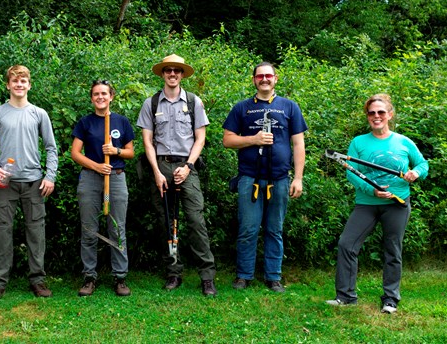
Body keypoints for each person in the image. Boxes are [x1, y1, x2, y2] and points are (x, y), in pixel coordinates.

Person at [326, 94, 428, 314]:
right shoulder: (358, 143)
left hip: (397, 204)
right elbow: (351, 174)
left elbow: (422, 164)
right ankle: (345, 296)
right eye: (371, 113)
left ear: (390, 114)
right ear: (367, 117)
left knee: (393, 249)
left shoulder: (403, 141)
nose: (376, 116)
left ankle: (390, 299)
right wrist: (371, 189)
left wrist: (414, 173)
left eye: (381, 112)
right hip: (366, 203)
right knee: (346, 244)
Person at [0, 65, 58, 301]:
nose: (19, 85)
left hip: (34, 183)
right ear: (8, 85)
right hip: (6, 183)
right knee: (1, 233)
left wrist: (50, 175)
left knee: (36, 233)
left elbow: (51, 148)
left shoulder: (39, 113)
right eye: (15, 81)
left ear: (29, 85)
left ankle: (38, 280)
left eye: (23, 81)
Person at [136, 54, 217, 296]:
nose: (172, 74)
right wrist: (157, 172)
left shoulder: (194, 102)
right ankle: (173, 272)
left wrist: (188, 166)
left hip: (186, 167)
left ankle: (207, 276)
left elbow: (200, 138)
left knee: (195, 220)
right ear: (162, 73)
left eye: (177, 71)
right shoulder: (150, 103)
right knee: (166, 221)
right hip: (160, 166)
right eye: (168, 70)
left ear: (182, 75)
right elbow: (148, 143)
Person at [222, 62, 307, 293]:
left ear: (275, 79)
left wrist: (297, 178)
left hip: (279, 178)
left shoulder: (290, 107)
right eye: (260, 76)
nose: (264, 79)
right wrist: (253, 139)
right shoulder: (242, 108)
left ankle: (273, 276)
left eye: (268, 75)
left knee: (274, 229)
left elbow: (298, 144)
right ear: (254, 80)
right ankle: (244, 275)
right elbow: (228, 140)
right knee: (248, 229)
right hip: (249, 178)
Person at [71, 80, 135, 297]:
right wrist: (96, 165)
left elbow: (130, 152)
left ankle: (120, 277)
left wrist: (115, 151)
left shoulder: (121, 121)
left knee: (117, 228)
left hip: (116, 178)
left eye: (104, 94)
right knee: (89, 228)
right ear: (92, 98)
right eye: (96, 94)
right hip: (90, 178)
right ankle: (89, 276)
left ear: (111, 97)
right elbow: (76, 153)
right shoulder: (85, 122)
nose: (100, 97)